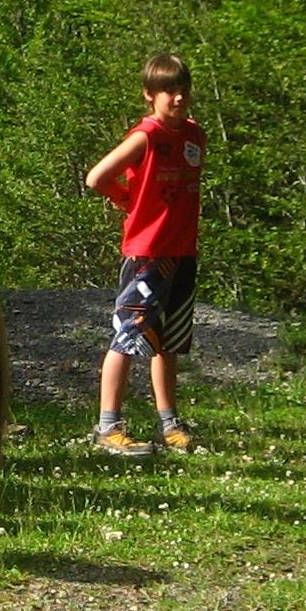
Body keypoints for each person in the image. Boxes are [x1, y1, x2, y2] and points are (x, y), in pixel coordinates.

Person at [83, 53, 205, 457]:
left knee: (169, 342)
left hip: (182, 253)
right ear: (150, 95)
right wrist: (128, 201)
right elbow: (97, 177)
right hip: (147, 255)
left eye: (182, 89)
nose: (177, 97)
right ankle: (108, 426)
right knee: (128, 337)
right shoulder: (146, 136)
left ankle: (170, 422)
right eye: (168, 90)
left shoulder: (194, 136)